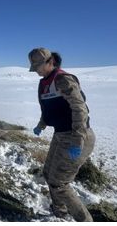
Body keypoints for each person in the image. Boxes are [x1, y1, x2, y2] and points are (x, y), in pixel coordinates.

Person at [30, 47, 96, 222]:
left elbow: (80, 110)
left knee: (59, 183)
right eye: (34, 67)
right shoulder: (45, 82)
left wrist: (77, 140)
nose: (36, 70)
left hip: (76, 136)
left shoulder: (63, 80)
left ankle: (85, 221)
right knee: (48, 173)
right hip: (60, 134)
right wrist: (41, 124)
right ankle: (60, 210)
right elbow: (49, 108)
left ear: (50, 62)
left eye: (38, 66)